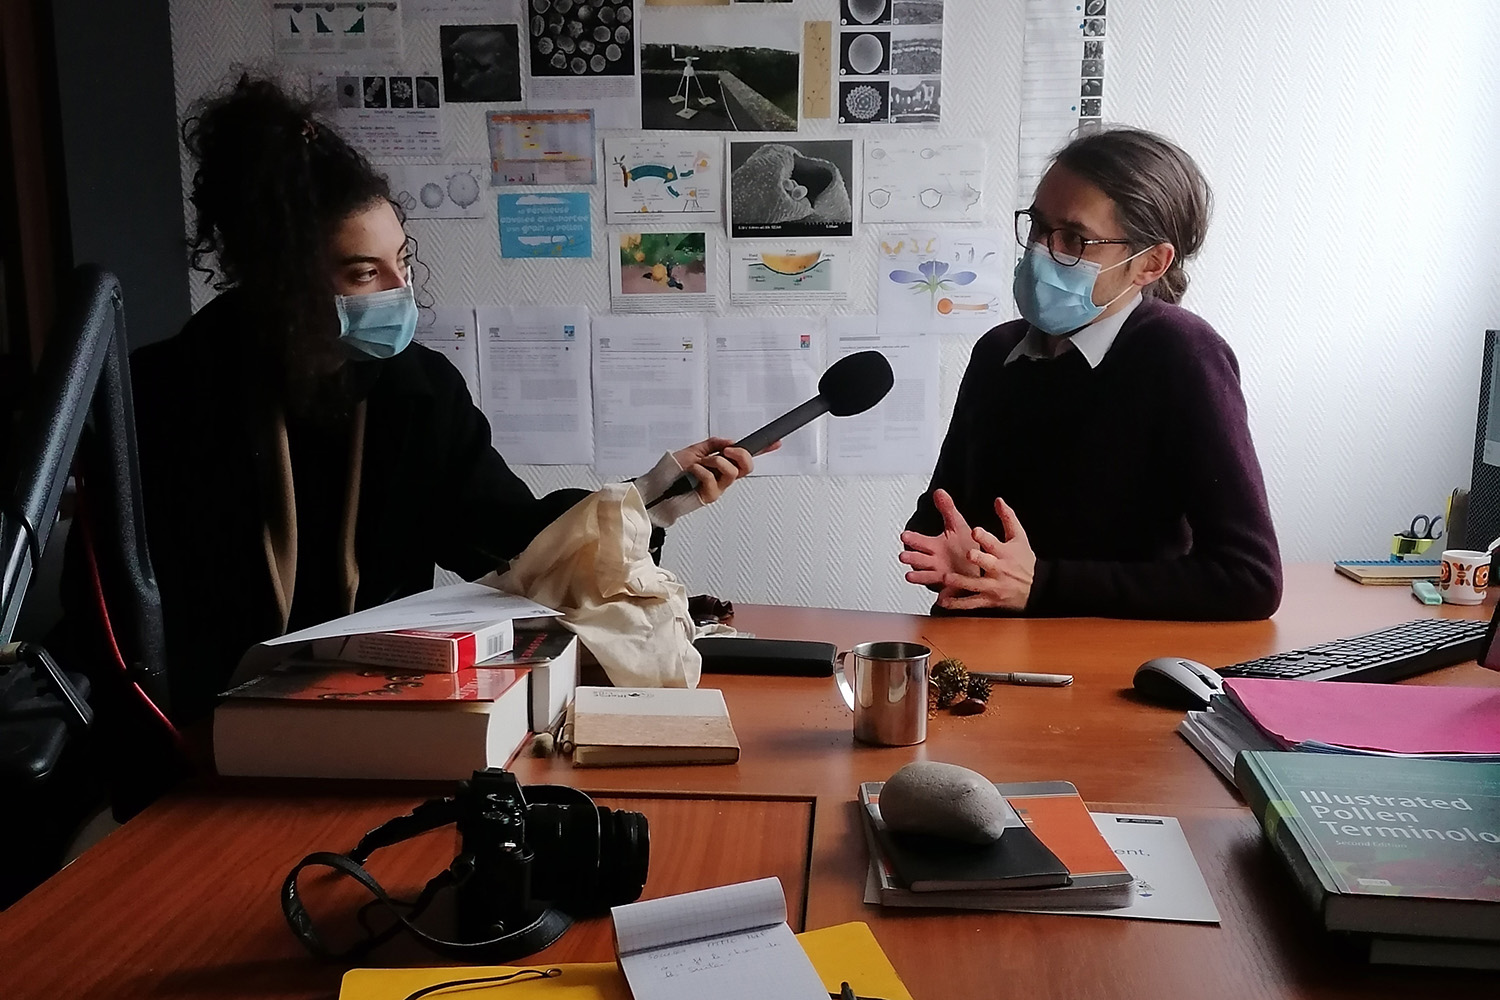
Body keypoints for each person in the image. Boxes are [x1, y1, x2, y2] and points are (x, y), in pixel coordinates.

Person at [59, 75, 762, 751]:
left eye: (402, 260)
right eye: (364, 274)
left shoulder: (417, 390)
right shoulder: (158, 397)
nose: (402, 292)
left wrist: (647, 499)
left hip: (378, 727)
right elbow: (110, 625)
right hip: (205, 747)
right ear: (280, 281)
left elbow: (511, 542)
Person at [899, 128, 1282, 621]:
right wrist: (949, 553)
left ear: (1149, 263)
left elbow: (1249, 579)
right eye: (1037, 226)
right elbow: (941, 515)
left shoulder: (1182, 356)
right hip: (980, 661)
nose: (1040, 250)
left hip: (1109, 673)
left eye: (1074, 239)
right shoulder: (997, 353)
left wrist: (1043, 584)